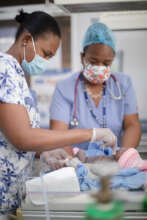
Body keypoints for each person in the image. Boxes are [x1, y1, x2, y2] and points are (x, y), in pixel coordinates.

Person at [0, 11, 117, 213]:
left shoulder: (17, 74)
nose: (45, 62)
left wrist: (44, 152)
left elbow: (15, 135)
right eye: (46, 54)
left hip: (13, 197)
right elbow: (21, 137)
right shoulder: (3, 69)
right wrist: (92, 133)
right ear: (27, 39)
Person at [49, 22, 141, 164]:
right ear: (82, 57)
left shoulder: (123, 84)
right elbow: (58, 135)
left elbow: (132, 124)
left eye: (106, 63)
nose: (99, 67)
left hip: (113, 163)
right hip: (76, 161)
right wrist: (73, 164)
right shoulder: (65, 88)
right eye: (93, 61)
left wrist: (124, 153)